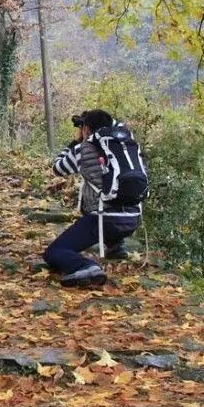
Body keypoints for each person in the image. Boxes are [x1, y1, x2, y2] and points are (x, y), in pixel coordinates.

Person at [43, 109, 148, 289]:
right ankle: (116, 246)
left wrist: (75, 142)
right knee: (105, 196)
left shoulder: (83, 148)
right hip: (133, 217)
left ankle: (87, 267)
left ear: (86, 129)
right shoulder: (125, 145)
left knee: (55, 252)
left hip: (103, 220)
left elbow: (58, 168)